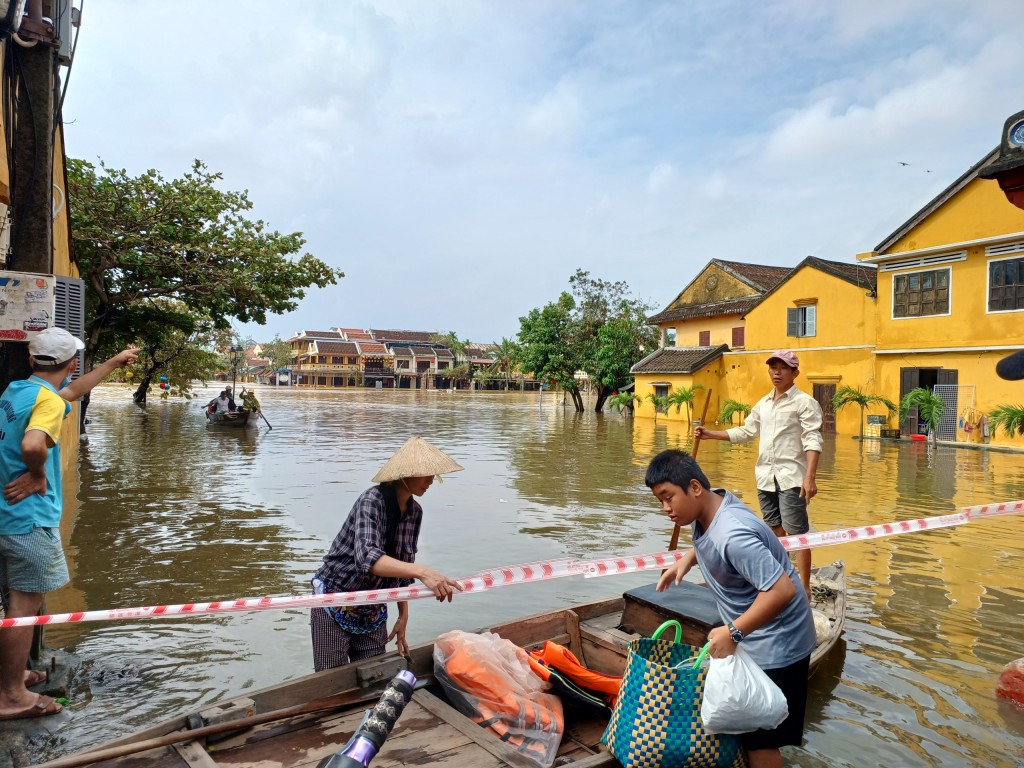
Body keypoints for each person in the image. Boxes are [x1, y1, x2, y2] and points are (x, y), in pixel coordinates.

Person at [0, 328, 139, 720]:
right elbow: (32, 444)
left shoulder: (18, 392)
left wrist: (112, 364)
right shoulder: (44, 402)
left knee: (14, 603)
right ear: (71, 362)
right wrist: (37, 474)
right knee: (24, 607)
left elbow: (71, 394)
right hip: (27, 519)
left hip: (4, 515)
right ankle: (10, 696)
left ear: (32, 361)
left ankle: (12, 675)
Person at [650, 449, 815, 768]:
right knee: (751, 728)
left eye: (668, 497)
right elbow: (712, 538)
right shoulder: (713, 504)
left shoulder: (733, 534)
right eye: (660, 500)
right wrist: (687, 558)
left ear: (695, 487)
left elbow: (783, 589)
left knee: (761, 739)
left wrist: (734, 631)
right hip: (757, 632)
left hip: (779, 641)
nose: (666, 508)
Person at [311, 436, 465, 672]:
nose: (430, 480)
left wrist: (403, 615)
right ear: (404, 475)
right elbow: (368, 558)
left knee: (374, 674)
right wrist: (424, 572)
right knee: (331, 679)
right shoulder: (371, 501)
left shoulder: (414, 512)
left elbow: (402, 567)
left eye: (433, 475)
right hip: (336, 600)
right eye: (425, 474)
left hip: (373, 605)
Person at [694, 350, 822, 596]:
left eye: (783, 368)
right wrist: (710, 434)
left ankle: (804, 588)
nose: (776, 372)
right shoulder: (763, 404)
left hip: (792, 477)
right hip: (765, 477)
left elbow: (812, 439)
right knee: (774, 531)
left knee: (798, 535)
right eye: (773, 367)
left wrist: (810, 477)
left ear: (795, 373)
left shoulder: (804, 403)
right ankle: (782, 582)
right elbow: (746, 431)